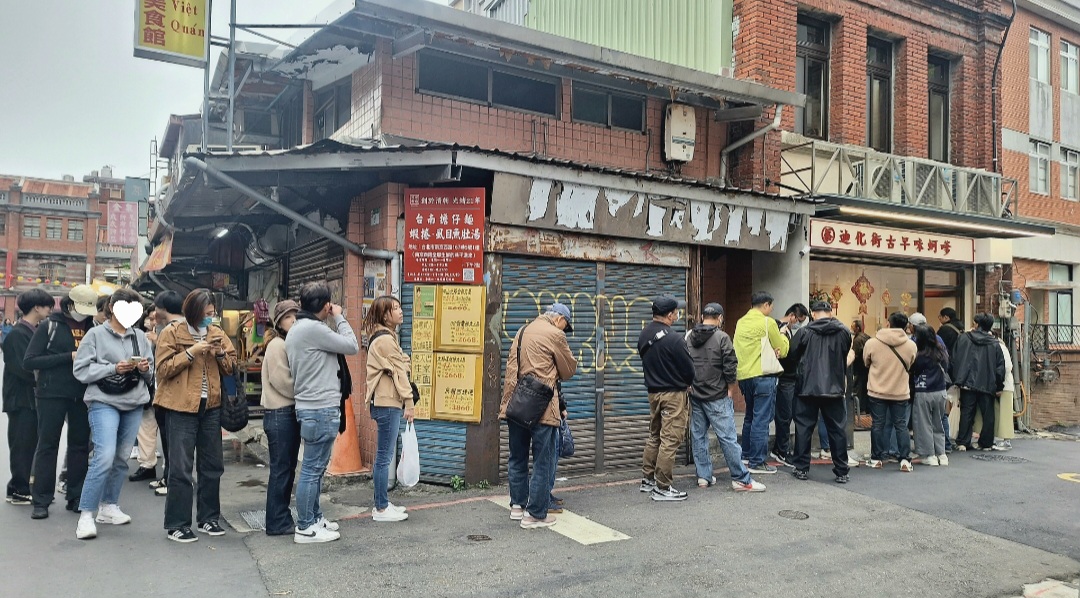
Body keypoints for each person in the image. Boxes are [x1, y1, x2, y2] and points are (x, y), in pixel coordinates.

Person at [72, 288, 155, 540]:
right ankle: (86, 514)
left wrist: (142, 368)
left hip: (133, 400)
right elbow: (80, 369)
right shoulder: (95, 334)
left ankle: (109, 505)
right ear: (112, 307)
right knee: (104, 455)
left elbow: (150, 374)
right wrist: (113, 368)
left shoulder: (140, 336)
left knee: (121, 457)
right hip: (103, 400)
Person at [154, 289, 237, 543]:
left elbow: (232, 367)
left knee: (212, 466)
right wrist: (191, 352)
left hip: (210, 407)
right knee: (180, 468)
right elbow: (163, 369)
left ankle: (209, 518)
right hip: (180, 408)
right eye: (206, 314)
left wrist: (221, 353)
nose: (210, 319)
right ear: (193, 312)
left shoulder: (217, 334)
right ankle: (177, 524)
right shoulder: (172, 332)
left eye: (213, 314)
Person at [286, 282, 358, 543]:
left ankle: (314, 519)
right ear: (324, 305)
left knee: (314, 469)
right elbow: (352, 345)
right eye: (330, 303)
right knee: (312, 470)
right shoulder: (313, 329)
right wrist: (338, 317)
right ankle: (305, 526)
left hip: (311, 407)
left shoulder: (299, 328)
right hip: (320, 408)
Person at [500, 303, 577, 526]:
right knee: (544, 460)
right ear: (560, 319)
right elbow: (568, 370)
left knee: (517, 456)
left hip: (516, 404)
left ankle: (517, 506)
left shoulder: (522, 330)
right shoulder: (555, 334)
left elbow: (513, 366)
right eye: (566, 325)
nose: (565, 330)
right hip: (542, 406)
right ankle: (534, 514)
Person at [24, 285, 96, 519]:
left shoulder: (92, 327)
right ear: (69, 305)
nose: (83, 314)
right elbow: (30, 361)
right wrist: (69, 357)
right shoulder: (49, 326)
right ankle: (41, 500)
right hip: (51, 394)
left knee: (79, 447)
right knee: (47, 445)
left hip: (82, 395)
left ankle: (76, 496)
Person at [686, 303, 765, 492]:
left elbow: (684, 362)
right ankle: (741, 478)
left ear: (702, 316)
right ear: (720, 318)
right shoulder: (722, 337)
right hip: (717, 395)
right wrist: (730, 388)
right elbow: (730, 366)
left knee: (698, 436)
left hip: (696, 395)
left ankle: (703, 476)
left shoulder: (689, 336)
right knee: (728, 438)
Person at [363, 295, 416, 523]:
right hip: (387, 402)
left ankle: (382, 503)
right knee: (384, 457)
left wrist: (402, 363)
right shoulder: (385, 340)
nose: (401, 311)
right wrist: (410, 402)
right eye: (396, 308)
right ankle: (381, 507)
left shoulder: (385, 337)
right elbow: (400, 372)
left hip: (384, 402)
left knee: (383, 456)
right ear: (386, 315)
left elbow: (402, 363)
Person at [787, 301, 853, 482]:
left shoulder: (804, 332)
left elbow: (793, 354)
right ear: (830, 313)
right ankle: (842, 471)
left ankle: (801, 468)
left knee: (804, 428)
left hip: (807, 387)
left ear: (813, 314)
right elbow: (844, 352)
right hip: (834, 387)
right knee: (837, 430)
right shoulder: (844, 332)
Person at [637, 295, 695, 501]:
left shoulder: (644, 334)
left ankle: (648, 479)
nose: (678, 314)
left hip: (653, 392)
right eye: (676, 311)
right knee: (670, 439)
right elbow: (689, 370)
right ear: (670, 314)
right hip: (673, 394)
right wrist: (687, 382)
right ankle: (662, 486)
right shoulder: (674, 338)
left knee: (654, 435)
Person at [3, 289, 55, 506]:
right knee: (22, 445)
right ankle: (18, 488)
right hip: (21, 398)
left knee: (31, 443)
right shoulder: (17, 334)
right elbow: (23, 368)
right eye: (47, 307)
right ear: (36, 307)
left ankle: (27, 486)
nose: (50, 310)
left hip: (32, 398)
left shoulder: (33, 331)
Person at [733, 291, 789, 474]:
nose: (771, 310)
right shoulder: (768, 322)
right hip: (763, 376)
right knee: (761, 419)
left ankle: (747, 454)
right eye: (771, 307)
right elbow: (782, 349)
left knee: (750, 416)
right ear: (765, 305)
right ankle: (757, 462)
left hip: (744, 376)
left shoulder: (741, 322)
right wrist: (784, 335)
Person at [260, 300, 301, 536]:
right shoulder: (277, 345)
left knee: (286, 468)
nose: (293, 320)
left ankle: (281, 517)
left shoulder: (286, 343)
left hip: (285, 414)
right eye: (288, 317)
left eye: (296, 315)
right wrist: (305, 393)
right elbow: (282, 380)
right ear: (279, 322)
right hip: (280, 414)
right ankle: (276, 521)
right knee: (281, 470)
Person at [863, 312, 917, 471]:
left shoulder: (872, 343)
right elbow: (911, 363)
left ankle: (876, 458)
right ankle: (905, 460)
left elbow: (866, 361)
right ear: (906, 326)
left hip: (877, 390)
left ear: (888, 323)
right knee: (901, 425)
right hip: (900, 391)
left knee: (878, 425)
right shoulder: (911, 345)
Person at [146, 291, 184, 497]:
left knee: (172, 442)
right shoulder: (167, 328)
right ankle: (167, 476)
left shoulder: (171, 330)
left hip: (170, 394)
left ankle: (171, 480)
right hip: (166, 393)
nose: (153, 312)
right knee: (168, 440)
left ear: (164, 308)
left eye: (156, 308)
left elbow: (165, 366)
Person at [951, 313, 1006, 452]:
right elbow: (1000, 367)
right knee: (988, 414)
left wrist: (956, 378)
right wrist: (999, 386)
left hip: (966, 382)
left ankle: (963, 441)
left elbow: (954, 359)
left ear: (976, 324)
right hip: (988, 383)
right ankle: (986, 443)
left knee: (967, 412)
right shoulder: (994, 343)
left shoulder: (963, 338)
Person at [771, 303, 808, 466]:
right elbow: (782, 353)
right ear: (792, 316)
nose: (799, 324)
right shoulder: (779, 328)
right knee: (784, 417)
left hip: (790, 378)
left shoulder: (788, 330)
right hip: (784, 378)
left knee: (787, 415)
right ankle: (781, 451)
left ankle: (779, 448)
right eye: (799, 320)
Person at [130, 302, 162, 484]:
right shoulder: (141, 337)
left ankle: (168, 470)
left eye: (155, 318)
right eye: (150, 318)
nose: (152, 321)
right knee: (146, 427)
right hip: (149, 388)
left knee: (165, 430)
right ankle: (147, 464)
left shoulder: (168, 333)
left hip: (166, 388)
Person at [910, 325, 950, 467]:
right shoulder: (941, 352)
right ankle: (942, 454)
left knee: (924, 424)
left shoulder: (919, 355)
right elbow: (946, 367)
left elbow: (912, 371)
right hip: (940, 390)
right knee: (938, 422)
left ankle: (929, 455)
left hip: (923, 391)